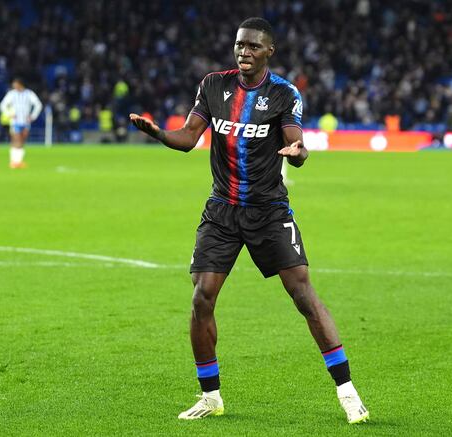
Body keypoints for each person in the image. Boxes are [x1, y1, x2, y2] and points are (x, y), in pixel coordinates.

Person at [129, 17, 369, 424]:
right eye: (240, 44)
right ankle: (210, 396)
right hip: (222, 210)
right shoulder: (212, 85)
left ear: (268, 51)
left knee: (303, 295)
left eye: (253, 46)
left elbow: (297, 141)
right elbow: (189, 138)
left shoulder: (282, 94)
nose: (244, 51)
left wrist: (297, 152)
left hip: (269, 211)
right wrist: (157, 133)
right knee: (201, 296)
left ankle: (348, 393)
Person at [0, 78, 43, 169]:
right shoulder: (11, 94)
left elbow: (38, 104)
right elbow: (2, 105)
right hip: (15, 121)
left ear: (20, 84)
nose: (14, 86)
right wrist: (9, 114)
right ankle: (13, 161)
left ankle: (18, 161)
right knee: (16, 139)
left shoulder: (29, 93)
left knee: (22, 141)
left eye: (16, 84)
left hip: (26, 121)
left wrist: (33, 116)